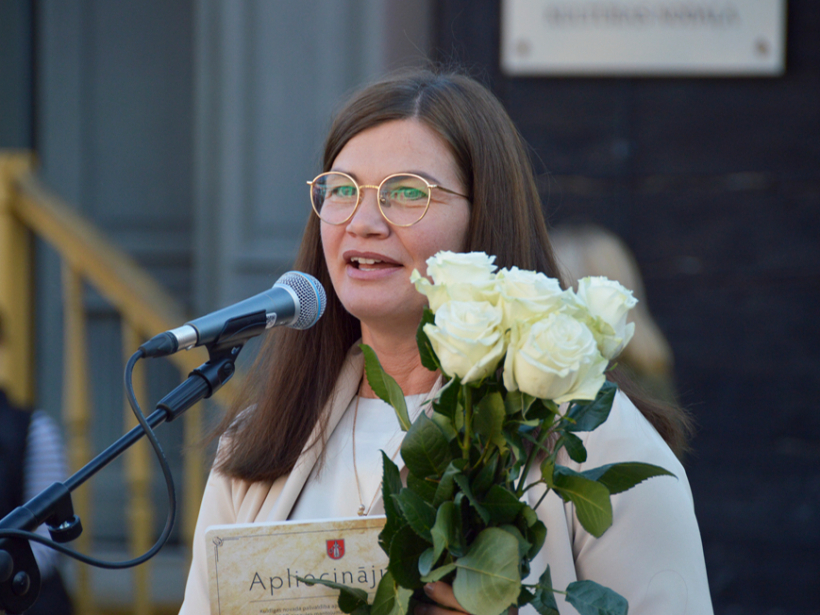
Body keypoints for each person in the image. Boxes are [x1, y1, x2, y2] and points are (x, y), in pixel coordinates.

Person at [178, 69, 713, 614]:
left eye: (406, 192)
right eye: (341, 189)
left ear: (484, 217)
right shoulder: (259, 444)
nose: (363, 221)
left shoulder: (592, 436)